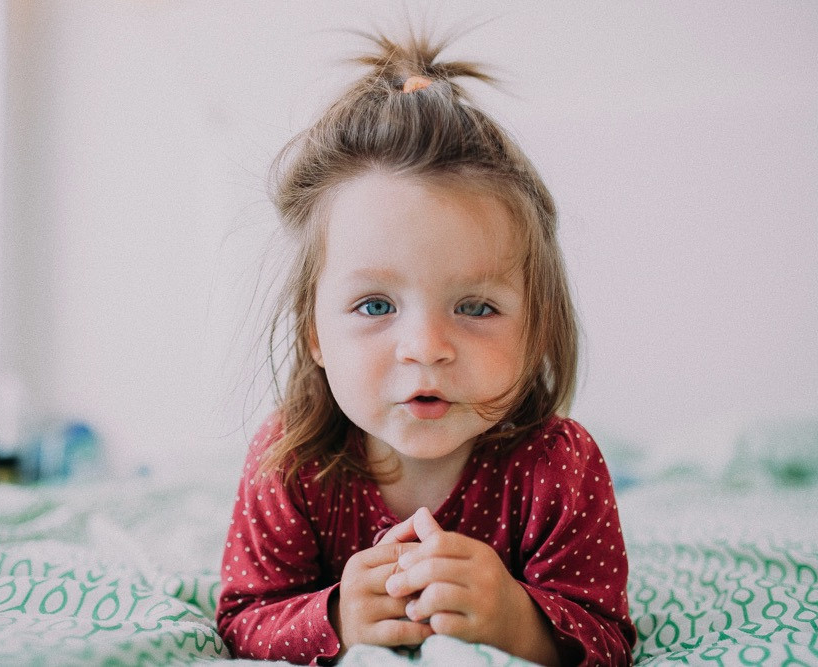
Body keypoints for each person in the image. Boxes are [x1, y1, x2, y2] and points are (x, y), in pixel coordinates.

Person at [216, 30, 636, 666]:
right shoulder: (291, 463)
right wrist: (335, 618)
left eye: (475, 307)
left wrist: (517, 622)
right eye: (375, 306)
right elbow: (245, 616)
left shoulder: (560, 469)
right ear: (314, 334)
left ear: (537, 328)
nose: (426, 348)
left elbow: (607, 637)